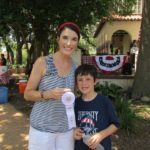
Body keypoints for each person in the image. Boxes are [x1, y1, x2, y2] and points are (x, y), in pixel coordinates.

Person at [24, 22, 80, 150]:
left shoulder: (76, 67)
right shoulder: (42, 62)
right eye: (65, 38)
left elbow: (74, 99)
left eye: (74, 39)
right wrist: (47, 94)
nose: (69, 43)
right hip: (41, 130)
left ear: (77, 43)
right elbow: (27, 94)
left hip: (66, 130)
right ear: (58, 39)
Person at [74, 64, 120, 150]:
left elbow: (115, 124)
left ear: (95, 81)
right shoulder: (75, 103)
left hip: (101, 146)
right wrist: (74, 131)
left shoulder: (104, 101)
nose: (84, 83)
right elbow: (72, 125)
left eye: (88, 79)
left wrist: (101, 135)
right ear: (76, 83)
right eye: (80, 80)